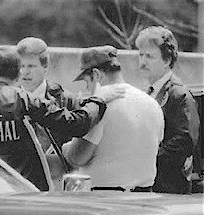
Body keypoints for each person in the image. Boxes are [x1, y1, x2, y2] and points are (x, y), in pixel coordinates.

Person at [0, 47, 124, 191]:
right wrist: (98, 100)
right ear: (17, 74)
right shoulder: (23, 99)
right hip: (26, 194)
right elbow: (76, 124)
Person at [62, 45, 164, 192]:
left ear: (96, 75)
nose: (86, 89)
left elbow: (77, 157)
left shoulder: (98, 107)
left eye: (87, 82)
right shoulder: (151, 103)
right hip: (145, 197)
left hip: (106, 198)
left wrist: (65, 148)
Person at [135, 26, 200, 194]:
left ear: (166, 60)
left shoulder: (179, 94)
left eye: (149, 56)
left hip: (169, 187)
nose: (142, 61)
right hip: (150, 183)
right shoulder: (148, 92)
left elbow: (185, 140)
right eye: (140, 55)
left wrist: (149, 157)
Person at [16, 37, 81, 150]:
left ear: (45, 67)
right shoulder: (8, 101)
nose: (25, 72)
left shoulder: (66, 100)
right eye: (21, 66)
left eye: (31, 66)